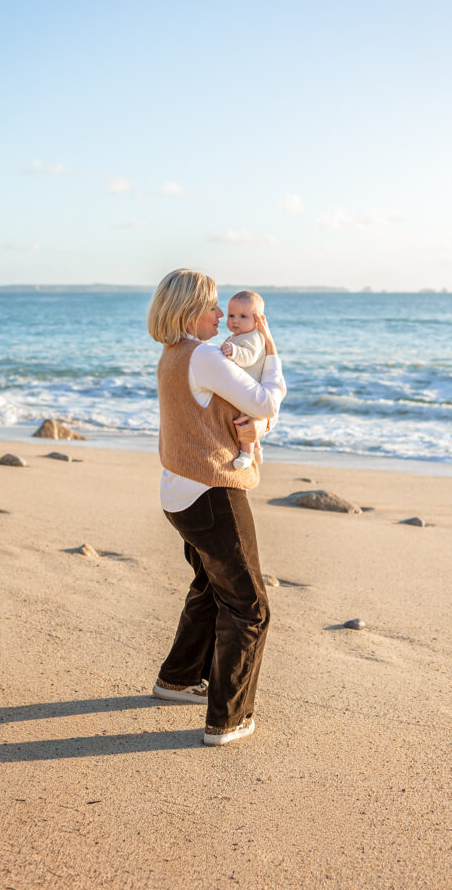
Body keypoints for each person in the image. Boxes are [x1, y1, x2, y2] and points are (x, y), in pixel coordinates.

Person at [146, 269, 286, 746]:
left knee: (210, 587)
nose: (221, 315)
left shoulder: (172, 354)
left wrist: (258, 427)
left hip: (178, 495)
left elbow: (229, 416)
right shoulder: (204, 356)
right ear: (188, 310)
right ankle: (229, 719)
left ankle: (179, 678)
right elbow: (265, 401)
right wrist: (271, 349)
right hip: (210, 493)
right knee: (249, 607)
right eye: (211, 306)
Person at [220, 289, 270, 471]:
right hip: (243, 389)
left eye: (243, 316)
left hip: (251, 391)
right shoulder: (236, 336)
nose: (235, 320)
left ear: (257, 320)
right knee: (246, 421)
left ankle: (246, 454)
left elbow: (248, 357)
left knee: (244, 422)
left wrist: (233, 351)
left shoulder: (255, 337)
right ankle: (257, 449)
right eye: (231, 315)